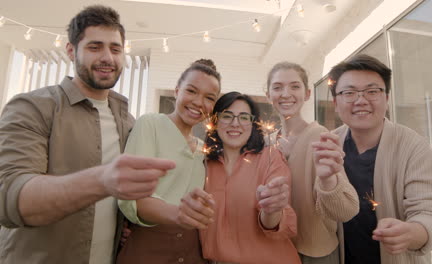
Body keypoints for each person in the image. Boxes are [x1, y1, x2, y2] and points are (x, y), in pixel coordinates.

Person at [0, 5, 175, 264]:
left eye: (115, 49)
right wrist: (102, 180)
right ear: (71, 51)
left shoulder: (128, 121)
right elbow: (9, 198)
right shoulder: (32, 107)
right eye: (95, 47)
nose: (107, 57)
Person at [328, 54, 432, 264]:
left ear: (386, 98)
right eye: (349, 93)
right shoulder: (330, 144)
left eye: (372, 91)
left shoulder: (413, 146)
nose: (361, 100)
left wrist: (412, 232)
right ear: (336, 103)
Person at [117, 59, 221, 264]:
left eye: (209, 98)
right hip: (149, 247)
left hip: (193, 251)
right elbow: (133, 196)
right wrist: (179, 214)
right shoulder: (150, 124)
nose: (199, 102)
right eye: (191, 91)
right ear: (176, 91)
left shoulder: (204, 150)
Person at [265, 62, 359, 264]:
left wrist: (328, 181)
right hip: (275, 249)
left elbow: (346, 210)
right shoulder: (267, 143)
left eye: (295, 86)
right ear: (268, 95)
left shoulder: (320, 137)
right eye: (278, 87)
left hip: (315, 253)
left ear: (307, 94)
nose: (286, 93)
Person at [192, 92, 300, 264]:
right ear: (215, 122)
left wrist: (271, 210)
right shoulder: (202, 165)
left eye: (244, 117)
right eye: (227, 116)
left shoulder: (270, 157)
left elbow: (277, 224)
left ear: (253, 123)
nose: (235, 124)